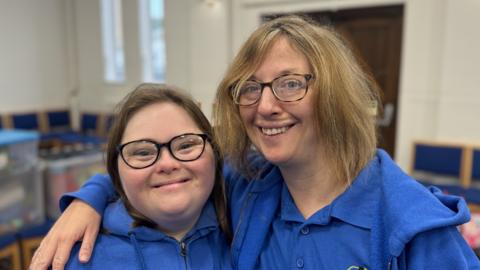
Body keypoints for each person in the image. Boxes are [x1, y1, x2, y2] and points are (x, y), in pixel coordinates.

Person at [31, 15, 480, 270]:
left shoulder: (414, 228)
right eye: (250, 87)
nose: (264, 106)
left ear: (337, 93)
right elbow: (158, 168)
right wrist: (87, 200)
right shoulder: (245, 186)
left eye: (289, 84)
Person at [61, 83, 232, 269]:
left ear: (214, 154)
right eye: (143, 153)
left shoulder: (243, 223)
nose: (167, 164)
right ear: (116, 170)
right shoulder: (79, 257)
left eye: (185, 146)